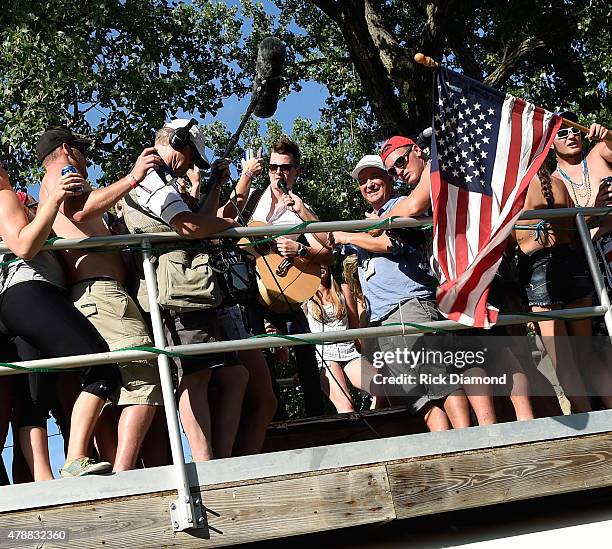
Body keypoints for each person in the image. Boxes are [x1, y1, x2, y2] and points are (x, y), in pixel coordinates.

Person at [332, 155, 497, 430]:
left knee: (439, 383)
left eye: (374, 177)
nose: (368, 184)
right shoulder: (369, 221)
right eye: (362, 181)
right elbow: (326, 242)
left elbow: (388, 244)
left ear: (388, 179)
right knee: (419, 397)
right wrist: (302, 212)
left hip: (409, 306)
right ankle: (448, 448)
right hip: (388, 319)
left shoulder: (399, 206)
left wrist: (348, 236)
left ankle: (467, 443)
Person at [36, 127, 165, 472]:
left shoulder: (48, 184)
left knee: (109, 383)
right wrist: (133, 178)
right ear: (67, 149)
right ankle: (124, 474)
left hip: (95, 296)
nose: (86, 158)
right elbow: (79, 211)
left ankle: (108, 466)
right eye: (82, 149)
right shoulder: (63, 171)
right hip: (104, 296)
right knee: (143, 377)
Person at [121, 118, 248, 461]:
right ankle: (208, 463)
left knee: (227, 374)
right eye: (192, 156)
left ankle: (218, 460)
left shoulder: (160, 178)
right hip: (176, 292)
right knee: (195, 375)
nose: (192, 165)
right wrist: (234, 225)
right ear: (178, 141)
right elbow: (191, 226)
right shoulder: (151, 177)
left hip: (189, 288)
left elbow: (194, 221)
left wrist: (215, 187)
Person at [0, 155, 120, 478]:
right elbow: (24, 246)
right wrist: (51, 201)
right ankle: (75, 456)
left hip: (20, 300)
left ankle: (43, 480)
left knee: (33, 396)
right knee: (103, 368)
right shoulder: (4, 196)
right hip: (29, 293)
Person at [245, 137, 333, 417]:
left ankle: (315, 413)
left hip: (287, 287)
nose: (277, 173)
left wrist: (300, 249)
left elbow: (327, 250)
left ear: (296, 171)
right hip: (250, 288)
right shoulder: (252, 201)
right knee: (261, 349)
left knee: (304, 343)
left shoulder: (299, 207)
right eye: (272, 167)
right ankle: (275, 418)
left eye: (284, 168)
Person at [516, 167, 612, 412]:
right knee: (587, 355)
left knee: (564, 362)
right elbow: (576, 233)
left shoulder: (513, 189)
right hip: (573, 265)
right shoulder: (558, 183)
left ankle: (588, 419)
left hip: (539, 269)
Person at [304, 264, 374, 413]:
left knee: (382, 386)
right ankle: (358, 435)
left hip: (350, 352)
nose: (320, 264)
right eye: (315, 260)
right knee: (346, 405)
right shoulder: (304, 296)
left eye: (324, 260)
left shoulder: (343, 289)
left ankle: (374, 431)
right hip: (324, 357)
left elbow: (355, 328)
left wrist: (367, 356)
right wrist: (305, 366)